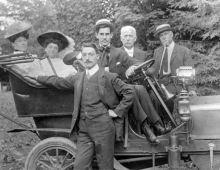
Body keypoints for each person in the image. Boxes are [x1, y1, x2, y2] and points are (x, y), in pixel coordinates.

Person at [25, 42, 133, 170]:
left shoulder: (108, 76)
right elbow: (58, 81)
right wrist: (38, 77)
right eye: (85, 55)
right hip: (84, 130)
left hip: (103, 130)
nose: (87, 58)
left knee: (105, 167)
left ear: (97, 56)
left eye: (91, 54)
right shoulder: (78, 77)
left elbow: (129, 92)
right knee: (79, 166)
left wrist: (116, 112)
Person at [63, 19, 169, 143]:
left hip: (117, 92)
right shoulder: (90, 52)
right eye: (101, 34)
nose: (104, 37)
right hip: (98, 93)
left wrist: (133, 66)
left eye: (107, 34)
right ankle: (148, 127)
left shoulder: (119, 53)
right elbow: (66, 58)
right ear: (97, 35)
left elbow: (138, 62)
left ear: (111, 35)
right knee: (132, 89)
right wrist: (81, 55)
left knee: (139, 88)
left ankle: (152, 125)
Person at [150, 24, 196, 120]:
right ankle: (159, 126)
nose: (163, 37)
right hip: (160, 85)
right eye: (161, 35)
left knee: (170, 100)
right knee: (152, 97)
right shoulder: (157, 52)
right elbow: (154, 71)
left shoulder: (183, 51)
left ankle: (171, 125)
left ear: (172, 34)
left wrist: (191, 89)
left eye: (165, 34)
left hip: (175, 84)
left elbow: (189, 72)